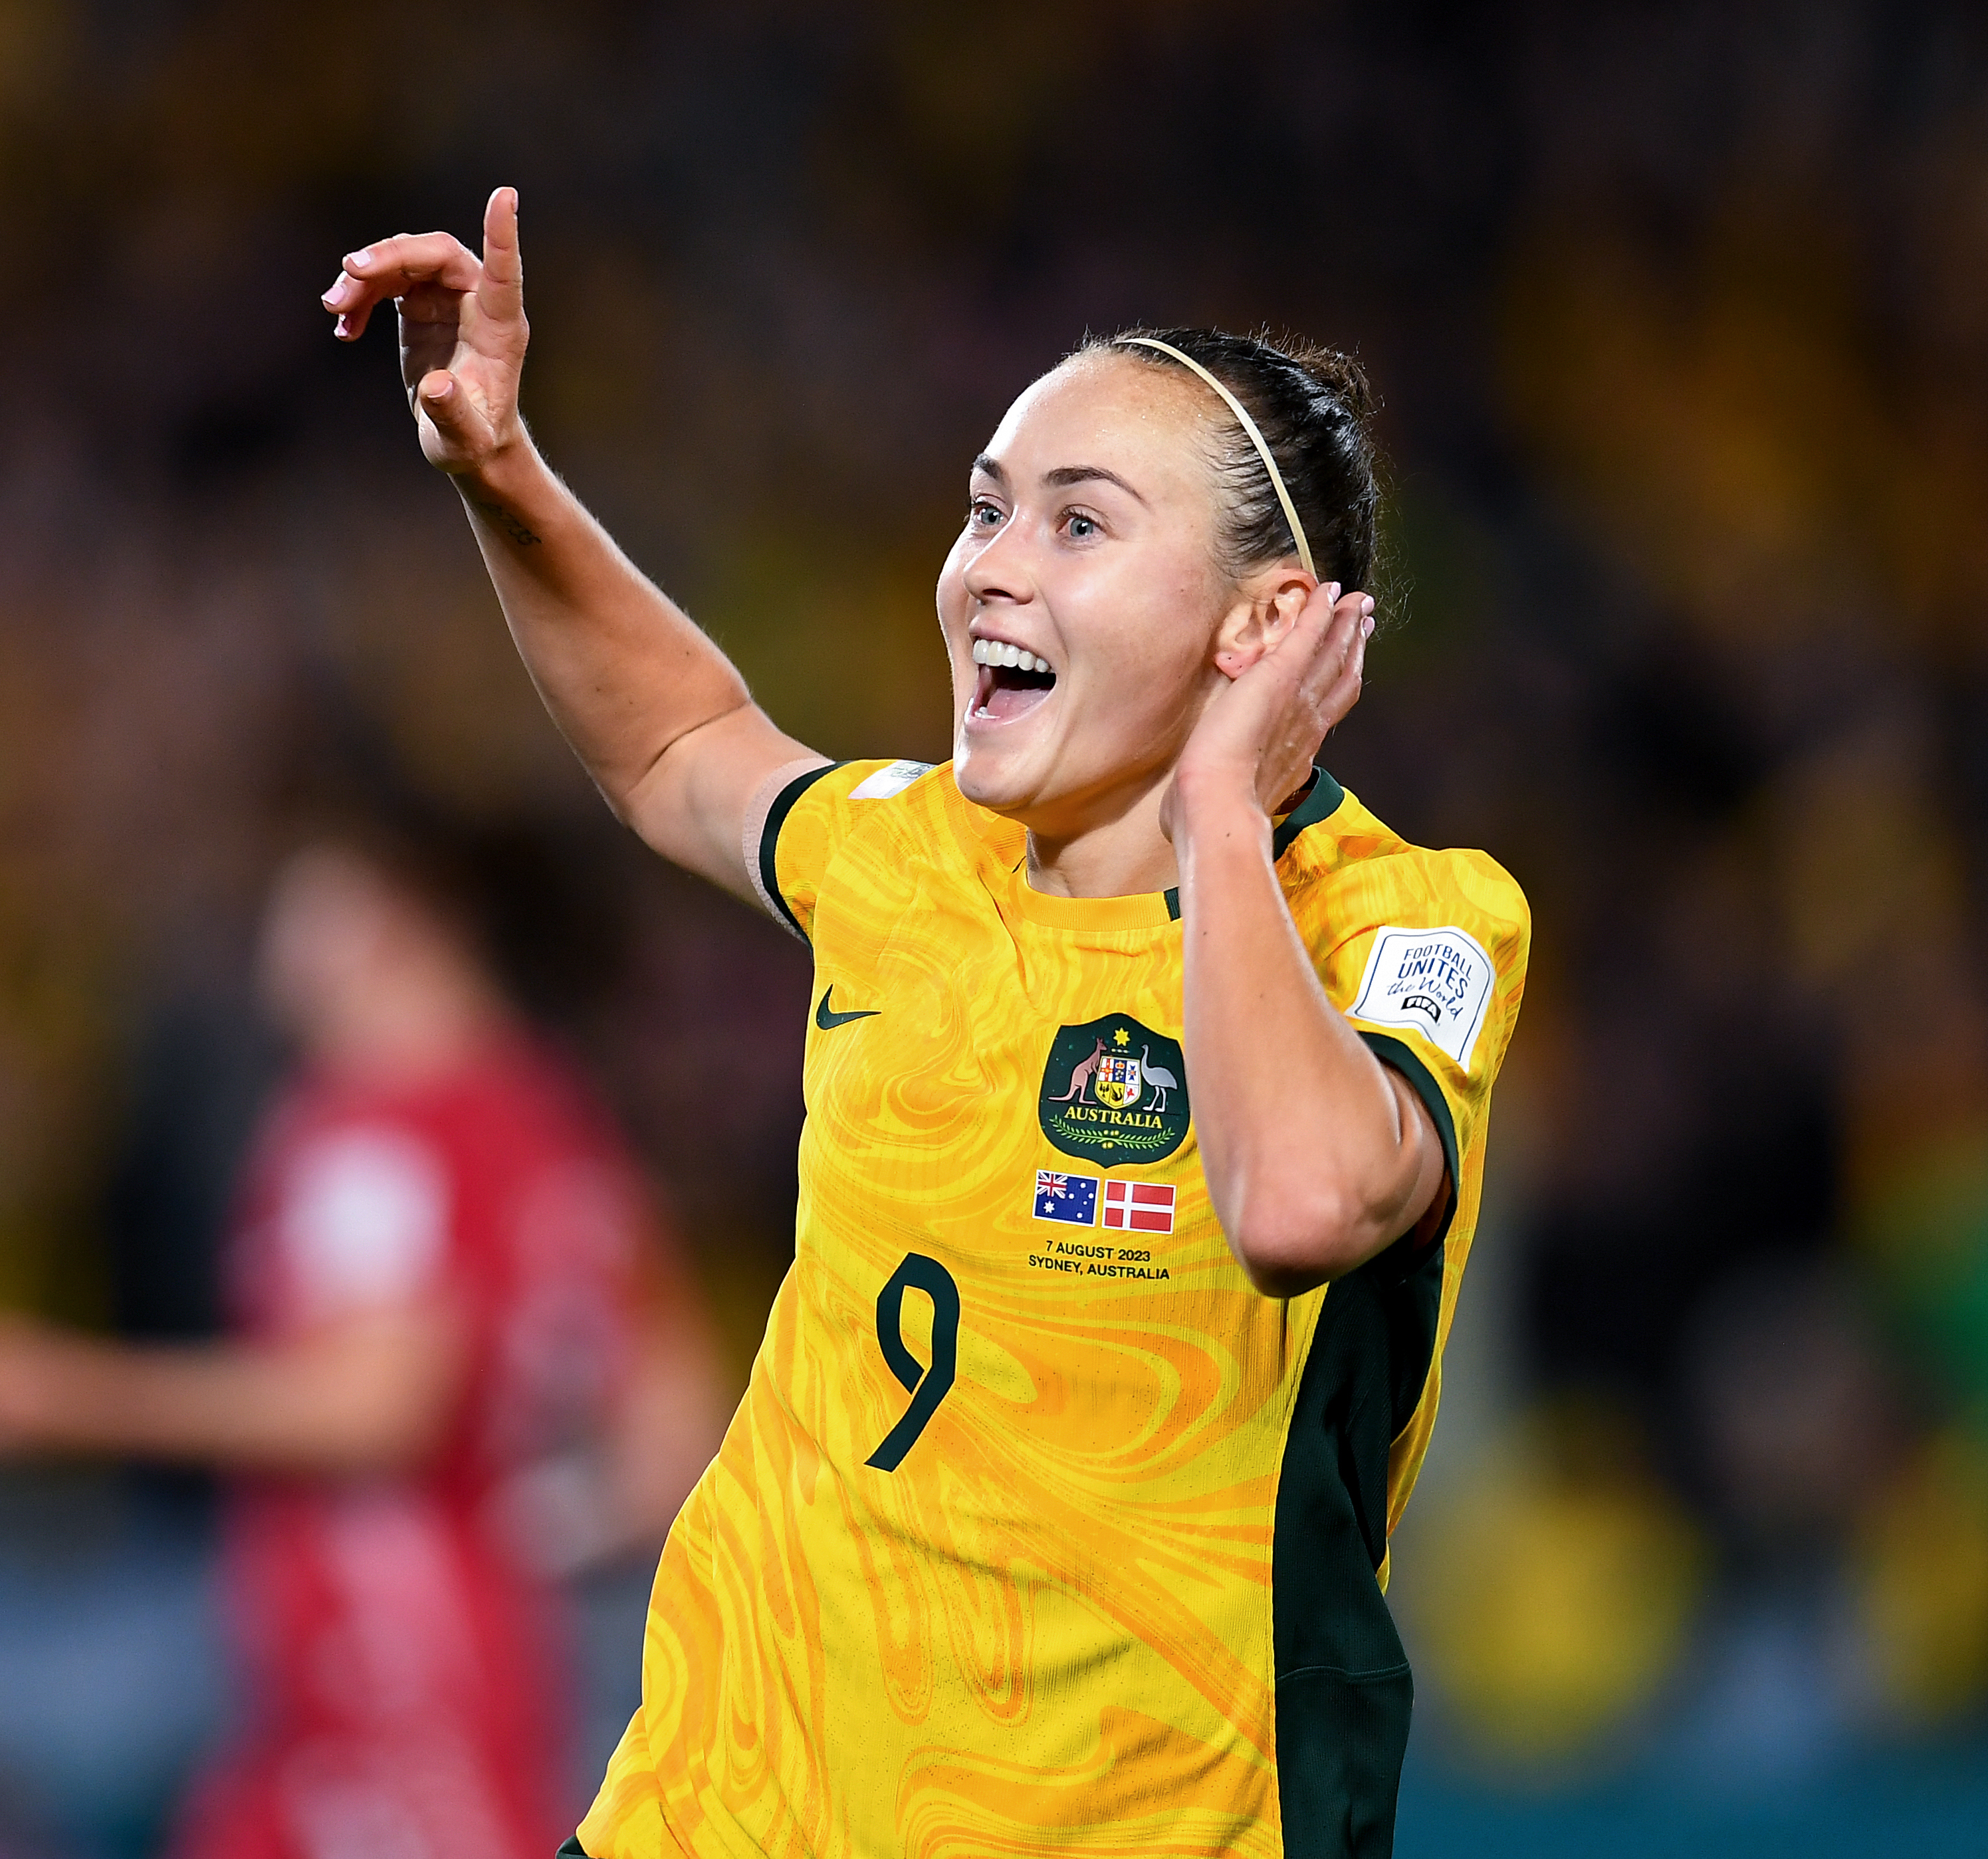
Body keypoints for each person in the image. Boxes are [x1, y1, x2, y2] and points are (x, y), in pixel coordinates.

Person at [319, 187, 1530, 1858]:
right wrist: (500, 468)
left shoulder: (1407, 920)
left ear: (1263, 626)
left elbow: (1303, 1202)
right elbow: (680, 750)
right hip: (727, 1809)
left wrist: (1223, 823)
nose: (989, 575)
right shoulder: (910, 854)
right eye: (986, 511)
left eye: (1079, 524)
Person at [0, 818, 726, 1859]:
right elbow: (677, 1441)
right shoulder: (558, 1131)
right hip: (456, 1675)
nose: (282, 935)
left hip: (376, 1673)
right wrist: (516, 1529)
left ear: (401, 918)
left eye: (312, 898)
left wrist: (60, 1394)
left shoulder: (369, 1129)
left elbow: (378, 1403)